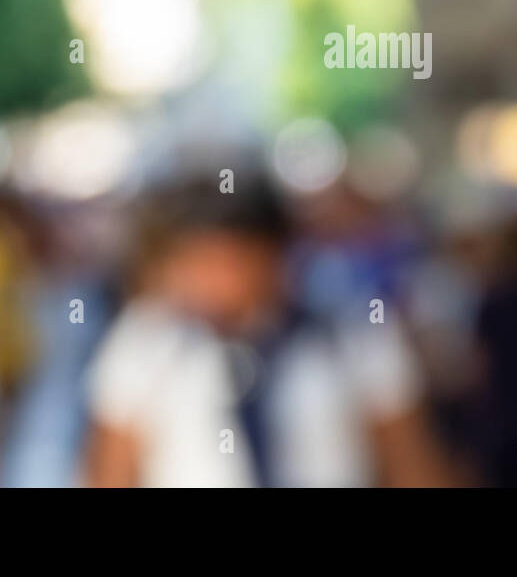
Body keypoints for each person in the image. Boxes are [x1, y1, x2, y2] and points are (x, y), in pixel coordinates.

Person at [85, 178, 454, 487]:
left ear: (273, 256)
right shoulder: (146, 340)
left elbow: (409, 460)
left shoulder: (350, 329)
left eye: (226, 261)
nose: (208, 281)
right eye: (194, 263)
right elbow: (112, 469)